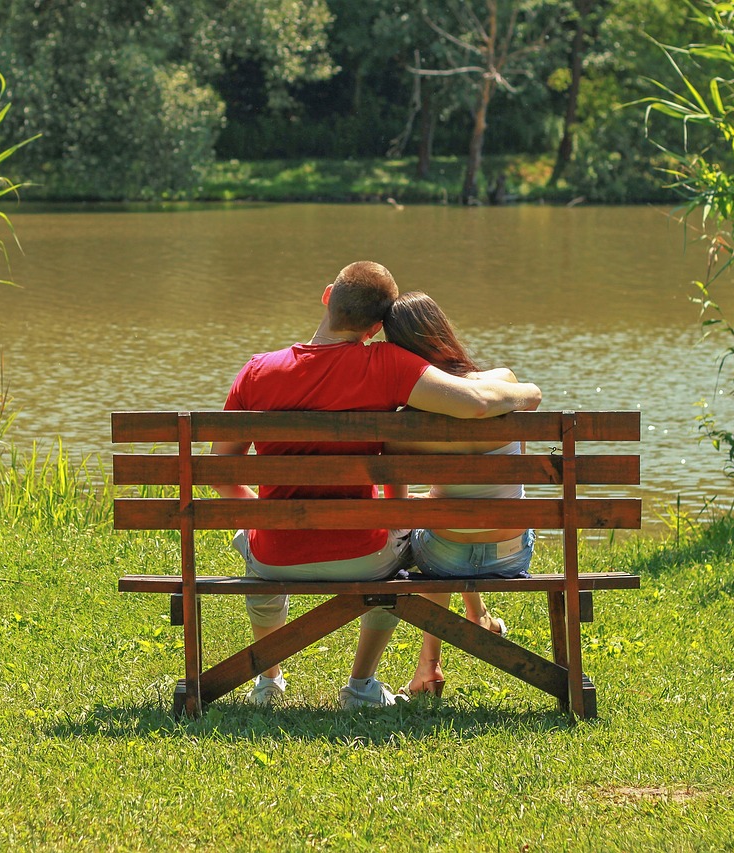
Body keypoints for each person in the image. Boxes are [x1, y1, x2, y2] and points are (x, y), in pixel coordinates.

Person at [212, 262, 541, 708]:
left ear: (328, 295)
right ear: (374, 328)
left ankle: (268, 680)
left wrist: (266, 516)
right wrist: (527, 394)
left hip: (277, 558)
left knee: (251, 541)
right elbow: (477, 403)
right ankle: (361, 685)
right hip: (365, 557)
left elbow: (222, 470)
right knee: (401, 550)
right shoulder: (387, 363)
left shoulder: (256, 371)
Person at [381, 290, 537, 697]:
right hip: (512, 547)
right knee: (463, 519)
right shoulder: (502, 381)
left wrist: (430, 506)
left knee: (440, 537)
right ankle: (479, 618)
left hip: (445, 554)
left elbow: (397, 511)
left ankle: (429, 667)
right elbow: (531, 397)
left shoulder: (407, 422)